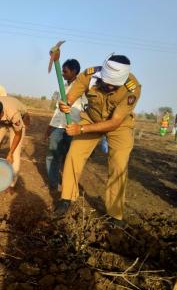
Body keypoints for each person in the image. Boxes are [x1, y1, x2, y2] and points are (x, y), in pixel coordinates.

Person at [54, 54, 141, 227]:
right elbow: (69, 98)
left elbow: (114, 122)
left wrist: (81, 129)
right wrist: (64, 104)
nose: (109, 86)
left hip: (120, 126)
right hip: (91, 118)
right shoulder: (89, 75)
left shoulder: (133, 88)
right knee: (74, 155)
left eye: (113, 85)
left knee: (119, 165)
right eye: (107, 81)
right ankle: (66, 199)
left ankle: (115, 214)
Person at [44, 59, 87, 191]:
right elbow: (58, 110)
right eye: (62, 71)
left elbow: (86, 109)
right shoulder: (64, 87)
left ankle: (69, 187)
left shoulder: (83, 88)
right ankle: (53, 184)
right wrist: (49, 128)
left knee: (71, 158)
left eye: (65, 71)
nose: (62, 73)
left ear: (74, 71)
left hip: (73, 127)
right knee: (52, 154)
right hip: (58, 127)